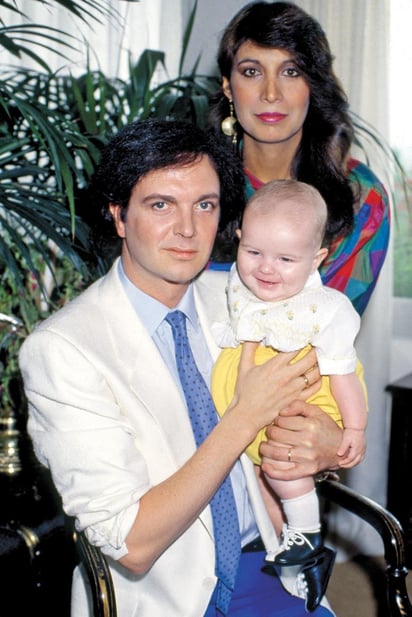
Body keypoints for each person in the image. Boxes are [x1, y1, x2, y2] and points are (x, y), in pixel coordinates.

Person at [18, 119, 342, 617]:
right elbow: (132, 546)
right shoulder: (63, 350)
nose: (188, 229)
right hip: (165, 593)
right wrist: (244, 417)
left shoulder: (248, 298)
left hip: (267, 565)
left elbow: (317, 401)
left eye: (205, 205)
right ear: (119, 215)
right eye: (161, 204)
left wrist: (323, 444)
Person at [212, 179, 367, 574]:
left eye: (285, 260)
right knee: (265, 483)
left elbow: (343, 373)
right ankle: (297, 567)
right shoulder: (237, 282)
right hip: (252, 408)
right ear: (240, 238)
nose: (266, 267)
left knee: (282, 465)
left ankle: (307, 534)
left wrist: (354, 429)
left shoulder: (324, 310)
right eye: (254, 251)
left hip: (304, 400)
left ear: (316, 260)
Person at [209, 0, 390, 317]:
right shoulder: (195, 185)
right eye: (251, 72)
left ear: (313, 85)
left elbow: (325, 332)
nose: (270, 93)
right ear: (227, 86)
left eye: (290, 72)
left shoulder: (361, 198)